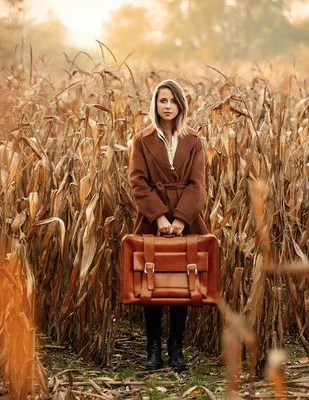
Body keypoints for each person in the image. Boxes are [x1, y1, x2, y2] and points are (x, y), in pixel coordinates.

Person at [128, 79, 208, 371]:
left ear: (181, 105)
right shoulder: (142, 140)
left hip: (187, 222)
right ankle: (153, 350)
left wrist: (180, 219)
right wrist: (160, 217)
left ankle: (176, 348)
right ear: (155, 104)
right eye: (163, 101)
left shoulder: (194, 140)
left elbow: (198, 185)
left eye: (173, 101)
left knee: (181, 284)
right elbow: (137, 182)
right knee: (151, 284)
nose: (168, 106)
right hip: (153, 222)